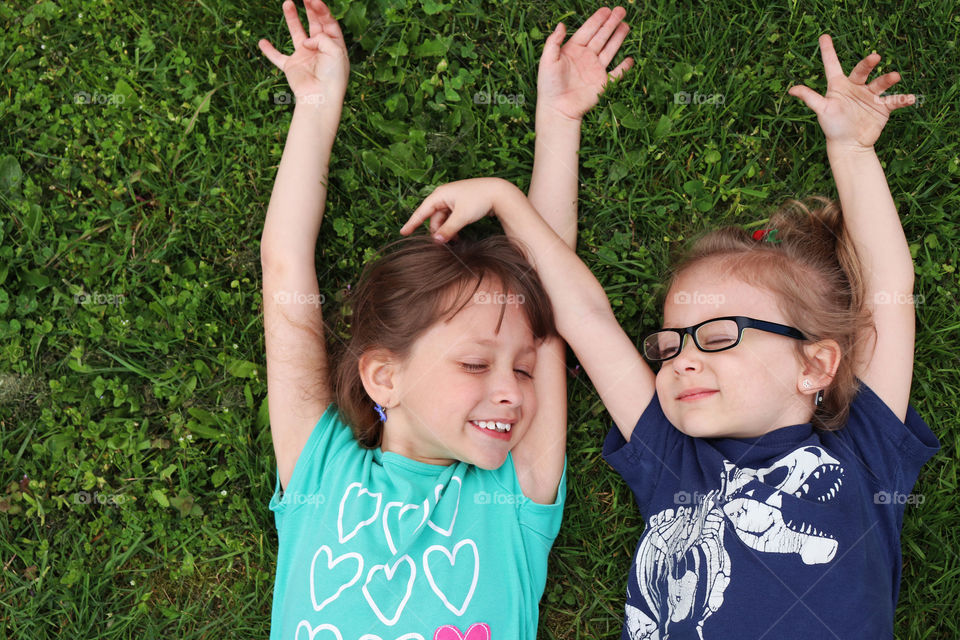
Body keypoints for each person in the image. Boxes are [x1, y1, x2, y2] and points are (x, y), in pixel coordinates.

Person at [403, 34, 939, 639]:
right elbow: (584, 317)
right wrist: (506, 199)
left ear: (814, 365)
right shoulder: (673, 456)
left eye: (718, 336)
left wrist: (852, 150)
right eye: (670, 344)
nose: (681, 361)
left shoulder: (863, 452)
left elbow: (887, 290)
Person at [257, 1, 632, 636]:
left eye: (524, 367)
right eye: (476, 363)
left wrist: (561, 121)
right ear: (385, 377)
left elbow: (549, 292)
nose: (514, 390)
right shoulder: (320, 470)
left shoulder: (513, 493)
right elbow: (284, 267)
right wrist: (316, 105)